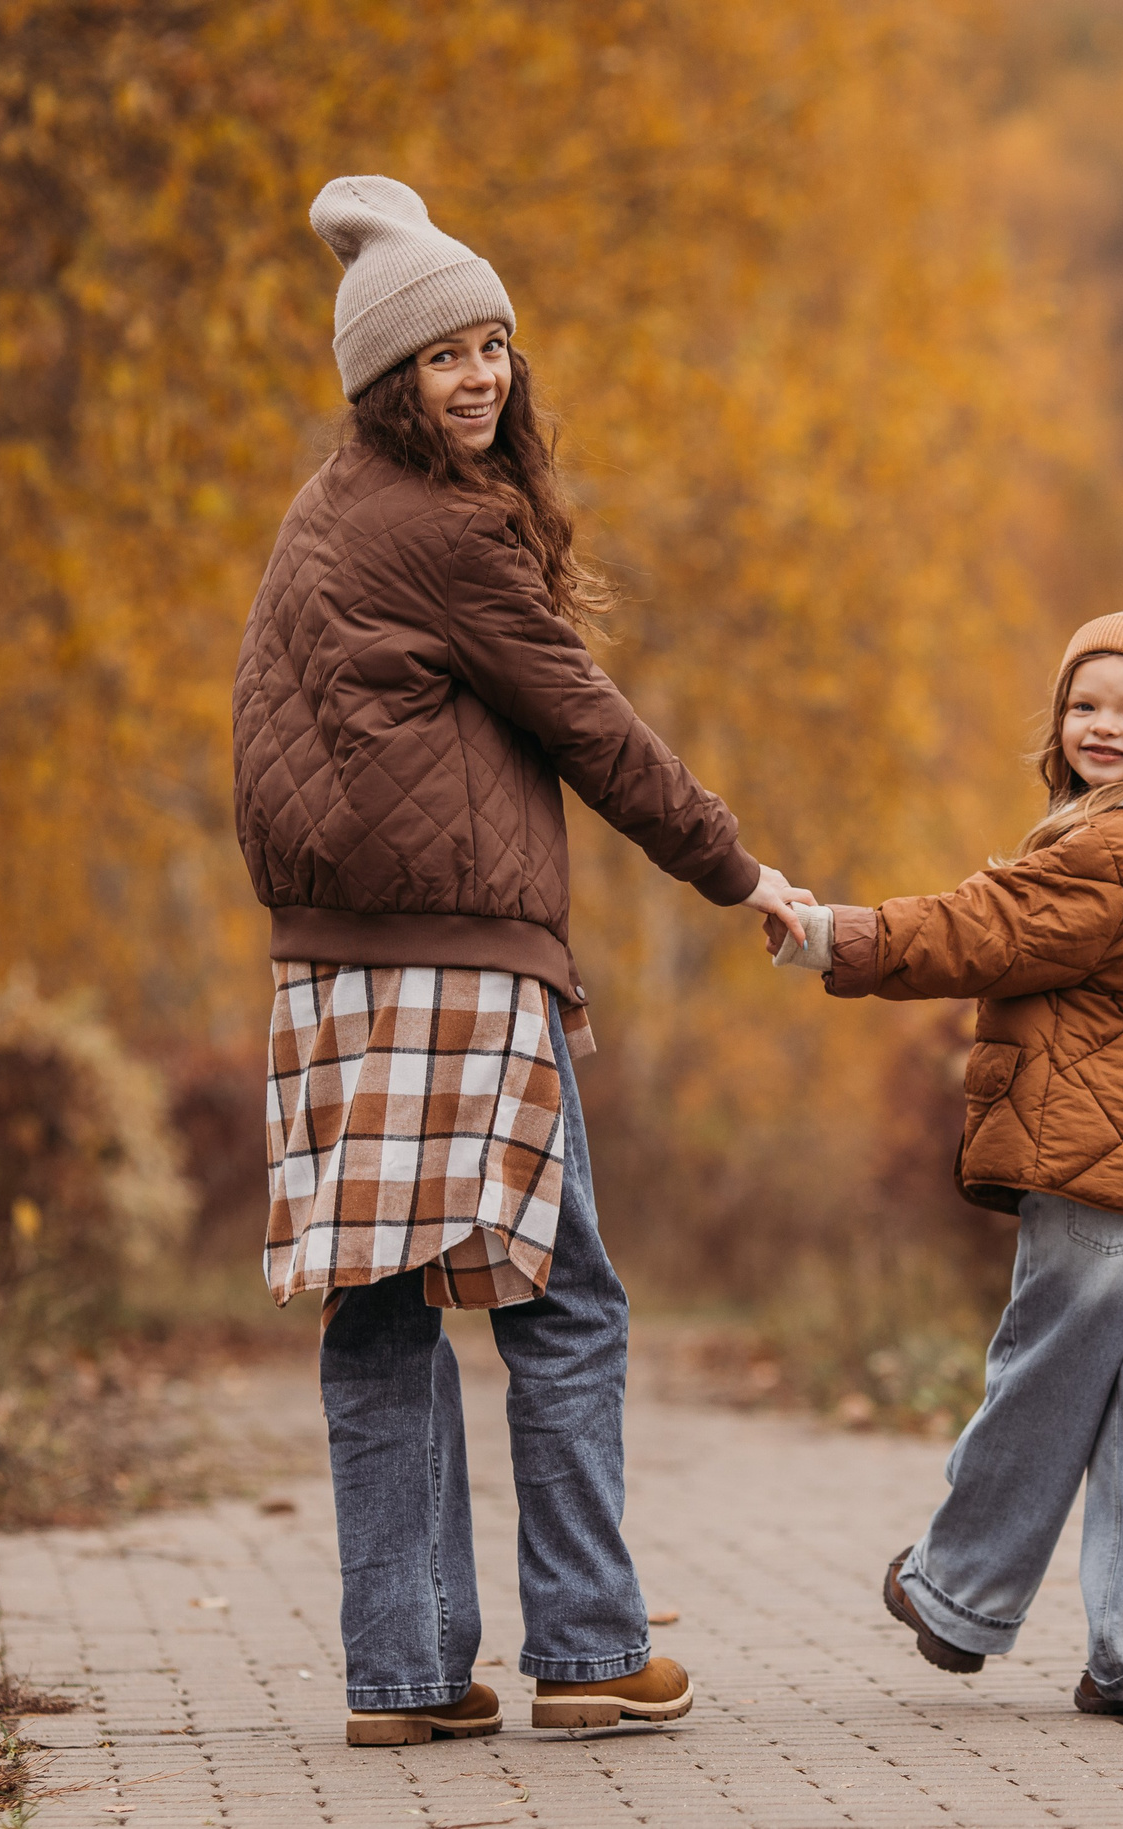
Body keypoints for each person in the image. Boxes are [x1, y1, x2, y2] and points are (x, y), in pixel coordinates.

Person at [231, 174, 811, 1747]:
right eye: (444, 356)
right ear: (386, 381)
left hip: (333, 978)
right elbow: (593, 729)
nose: (481, 376)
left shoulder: (328, 511)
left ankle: (408, 1675)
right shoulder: (446, 532)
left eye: (493, 345)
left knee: (382, 1311)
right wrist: (739, 870)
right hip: (461, 973)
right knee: (565, 1304)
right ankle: (592, 1650)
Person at [771, 600, 1123, 1719]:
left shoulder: (1115, 846)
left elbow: (976, 929)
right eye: (1085, 704)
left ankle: (958, 1592)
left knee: (1043, 1377)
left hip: (1106, 1174)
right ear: (1057, 719)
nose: (1104, 727)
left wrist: (832, 936)